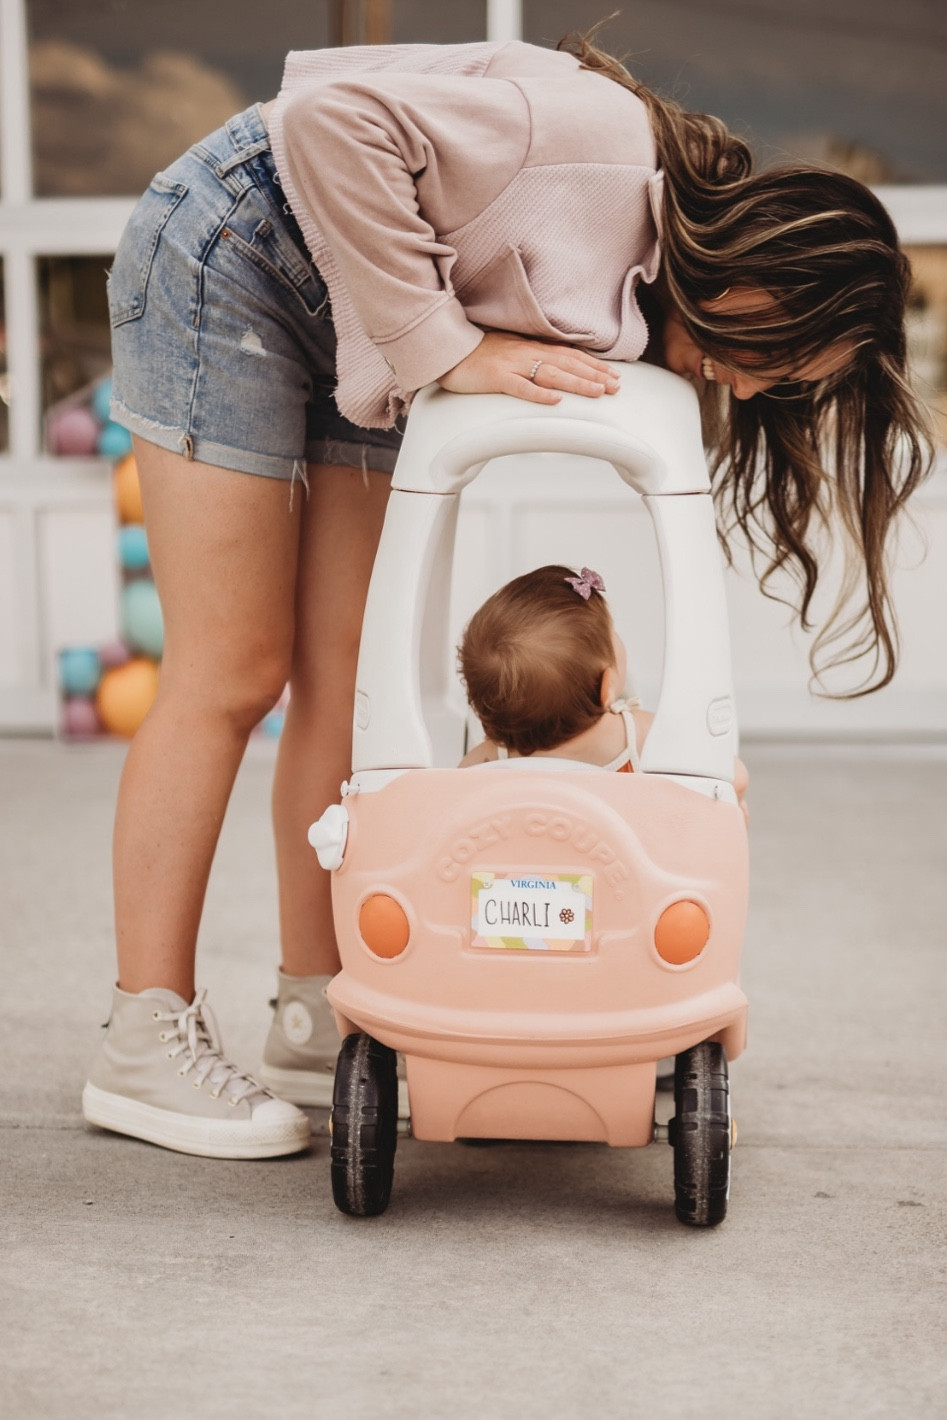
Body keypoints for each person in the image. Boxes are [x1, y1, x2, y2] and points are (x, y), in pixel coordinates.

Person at [82, 28, 930, 1159]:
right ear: (768, 285)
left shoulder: (642, 299)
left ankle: (312, 1000)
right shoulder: (599, 147)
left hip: (362, 292)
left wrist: (431, 340)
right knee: (233, 668)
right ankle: (143, 1035)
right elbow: (325, 125)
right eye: (772, 363)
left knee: (344, 666)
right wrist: (441, 344)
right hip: (236, 246)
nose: (746, 388)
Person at [457, 563, 749, 817]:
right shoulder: (641, 737)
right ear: (607, 687)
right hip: (626, 874)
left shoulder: (489, 760)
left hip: (532, 875)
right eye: (613, 635)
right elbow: (732, 776)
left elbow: (452, 806)